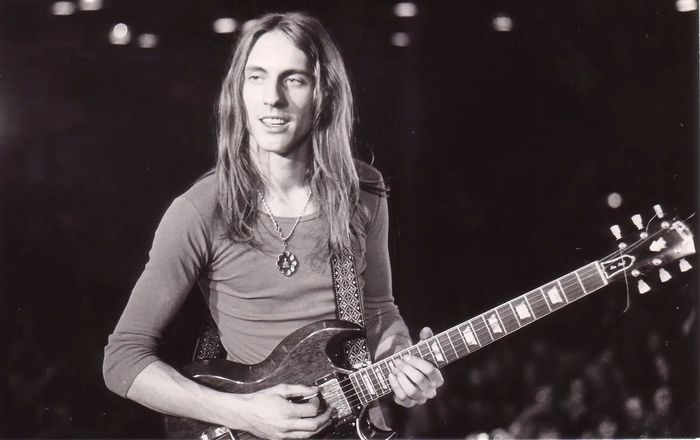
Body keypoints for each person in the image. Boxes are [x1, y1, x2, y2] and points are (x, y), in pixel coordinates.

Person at [103, 11, 443, 440]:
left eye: (293, 80)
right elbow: (122, 359)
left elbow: (377, 310)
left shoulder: (363, 192)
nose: (272, 98)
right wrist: (244, 413)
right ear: (238, 91)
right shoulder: (200, 209)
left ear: (324, 93)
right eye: (257, 77)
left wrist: (402, 361)